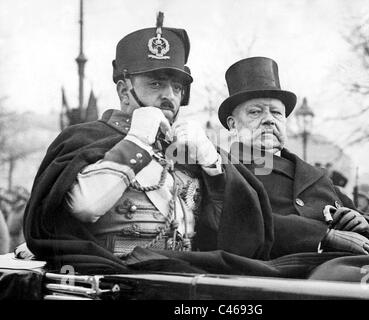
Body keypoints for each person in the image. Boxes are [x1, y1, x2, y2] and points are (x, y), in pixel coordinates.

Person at [23, 16, 279, 272]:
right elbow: (85, 207)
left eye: (177, 87)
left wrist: (214, 166)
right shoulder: (84, 138)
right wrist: (137, 139)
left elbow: (238, 236)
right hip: (112, 283)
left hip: (185, 282)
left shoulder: (188, 151)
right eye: (156, 83)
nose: (169, 95)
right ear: (124, 91)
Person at [211, 57, 369, 258]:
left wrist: (366, 226)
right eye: (255, 112)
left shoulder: (316, 175)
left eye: (277, 113)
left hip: (344, 273)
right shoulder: (223, 169)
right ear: (233, 125)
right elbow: (236, 222)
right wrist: (323, 237)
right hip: (275, 279)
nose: (269, 119)